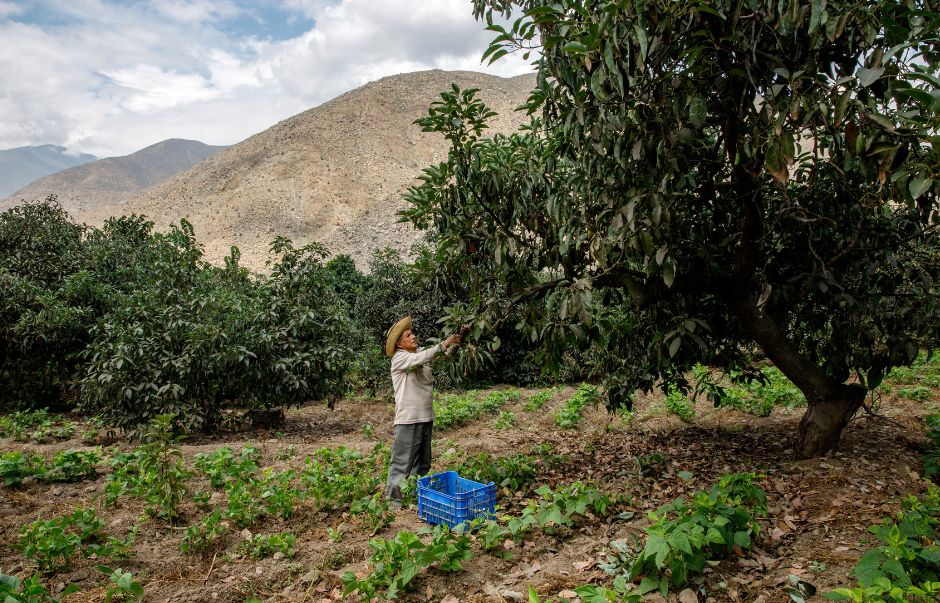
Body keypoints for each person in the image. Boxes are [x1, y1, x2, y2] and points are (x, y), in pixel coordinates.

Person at [383, 316, 463, 508]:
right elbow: (423, 357)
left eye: (412, 333)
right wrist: (443, 344)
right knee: (402, 462)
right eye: (408, 335)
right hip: (408, 419)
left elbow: (436, 355)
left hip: (426, 416)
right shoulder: (400, 358)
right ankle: (393, 502)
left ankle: (413, 492)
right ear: (400, 344)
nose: (413, 336)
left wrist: (457, 341)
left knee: (423, 462)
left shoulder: (420, 355)